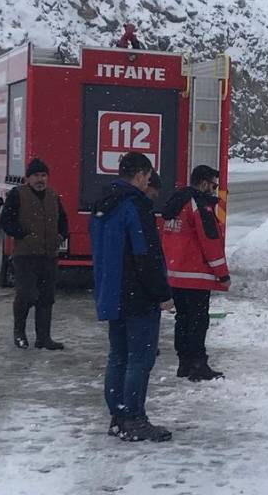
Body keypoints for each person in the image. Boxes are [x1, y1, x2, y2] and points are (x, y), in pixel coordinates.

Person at [90, 152, 176, 443]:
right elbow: (146, 255)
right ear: (139, 175)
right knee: (140, 359)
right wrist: (162, 293)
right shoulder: (135, 206)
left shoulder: (104, 204)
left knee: (118, 356)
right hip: (138, 294)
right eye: (148, 176)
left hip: (112, 292)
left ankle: (118, 416)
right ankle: (134, 419)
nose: (148, 181)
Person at [159, 165, 230, 381]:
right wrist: (222, 274)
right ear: (203, 183)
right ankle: (198, 365)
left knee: (183, 320)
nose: (214, 189)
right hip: (195, 276)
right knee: (198, 322)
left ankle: (184, 363)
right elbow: (210, 242)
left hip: (176, 274)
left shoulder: (176, 204)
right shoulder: (198, 205)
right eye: (213, 185)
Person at [0, 158, 69, 350]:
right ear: (27, 179)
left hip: (49, 255)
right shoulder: (18, 194)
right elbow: (6, 221)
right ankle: (19, 333)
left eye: (44, 175)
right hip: (25, 255)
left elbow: (63, 220)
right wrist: (22, 234)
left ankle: (44, 338)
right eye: (36, 176)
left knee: (47, 298)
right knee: (26, 295)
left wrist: (61, 236)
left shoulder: (53, 196)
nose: (40, 179)